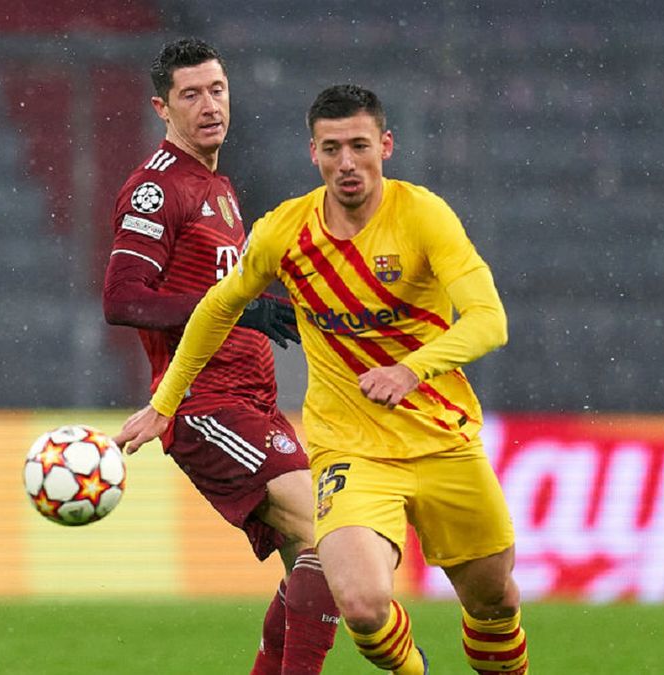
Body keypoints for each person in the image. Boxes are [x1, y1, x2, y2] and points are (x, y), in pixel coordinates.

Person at [115, 83, 530, 675]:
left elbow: (489, 320)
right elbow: (216, 308)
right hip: (351, 451)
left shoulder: (423, 216)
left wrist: (412, 369)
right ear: (314, 154)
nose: (347, 163)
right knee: (361, 605)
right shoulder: (286, 231)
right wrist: (165, 401)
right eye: (331, 149)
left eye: (359, 146)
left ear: (385, 145)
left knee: (494, 600)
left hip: (444, 440)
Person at [100, 38, 338, 675]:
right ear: (162, 107)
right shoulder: (158, 189)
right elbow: (123, 299)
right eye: (191, 94)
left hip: (252, 402)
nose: (209, 105)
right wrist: (232, 305)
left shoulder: (219, 186)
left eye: (218, 89)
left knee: (309, 564)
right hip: (207, 406)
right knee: (331, 537)